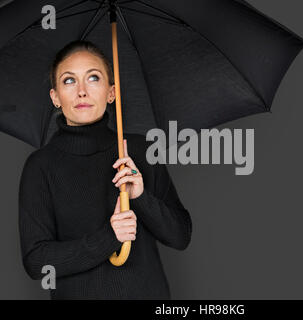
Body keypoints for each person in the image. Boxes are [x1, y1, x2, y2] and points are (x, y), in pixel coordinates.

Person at [18, 40, 192, 300]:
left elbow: (180, 236)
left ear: (112, 92)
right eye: (68, 81)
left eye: (93, 78)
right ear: (55, 97)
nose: (82, 92)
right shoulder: (41, 166)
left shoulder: (138, 150)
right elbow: (37, 262)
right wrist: (108, 238)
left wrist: (141, 198)